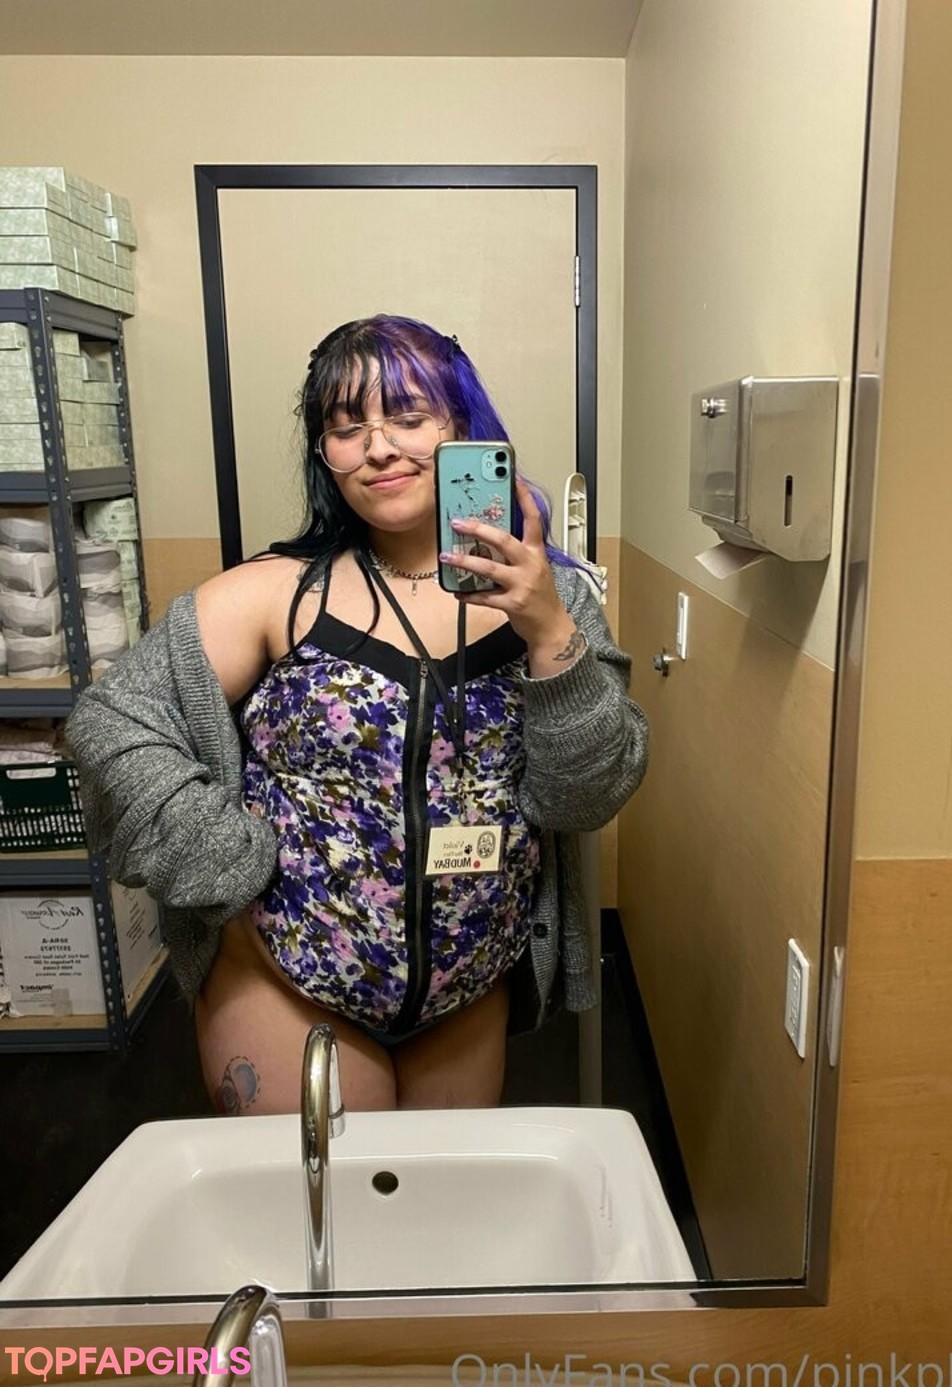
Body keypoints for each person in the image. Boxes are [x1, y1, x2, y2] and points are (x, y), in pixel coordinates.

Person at [65, 314, 648, 1116]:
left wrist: (549, 630)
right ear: (324, 454)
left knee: (434, 1193)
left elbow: (586, 798)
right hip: (285, 986)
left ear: (462, 429)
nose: (378, 447)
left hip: (467, 992)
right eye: (347, 427)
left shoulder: (553, 599)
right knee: (324, 1195)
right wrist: (227, 859)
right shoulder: (276, 594)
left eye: (408, 416)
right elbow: (111, 721)